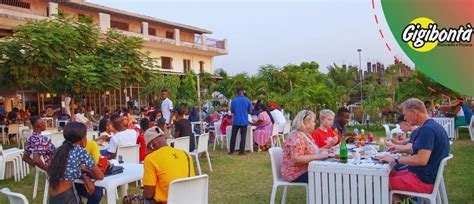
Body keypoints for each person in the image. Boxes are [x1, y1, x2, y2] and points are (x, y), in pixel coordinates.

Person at [376, 98, 450, 202]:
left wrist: (395, 159)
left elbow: (421, 160)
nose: (405, 118)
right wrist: (398, 151)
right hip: (424, 175)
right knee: (389, 173)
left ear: (414, 112)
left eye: (406, 114)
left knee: (377, 182)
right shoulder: (431, 126)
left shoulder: (427, 130)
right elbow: (422, 153)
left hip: (423, 180)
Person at [47, 122, 104, 204]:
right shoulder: (80, 151)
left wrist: (83, 176)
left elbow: (66, 171)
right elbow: (100, 176)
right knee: (97, 192)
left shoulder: (60, 150)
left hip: (54, 198)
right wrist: (88, 172)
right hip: (68, 198)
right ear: (83, 138)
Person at [142, 127, 195, 203]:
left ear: (151, 145)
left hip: (167, 201)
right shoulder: (185, 154)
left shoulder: (150, 159)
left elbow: (148, 194)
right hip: (189, 200)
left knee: (130, 200)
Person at [282, 110, 329, 183]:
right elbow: (297, 158)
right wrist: (319, 156)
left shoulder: (305, 135)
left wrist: (326, 151)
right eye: (313, 121)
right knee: (327, 176)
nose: (314, 124)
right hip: (295, 172)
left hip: (306, 169)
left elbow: (311, 151)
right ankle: (321, 194)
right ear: (306, 123)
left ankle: (322, 194)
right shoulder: (296, 137)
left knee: (329, 174)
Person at [229, 87, 253, 155]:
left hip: (236, 121)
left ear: (237, 92)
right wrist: (245, 111)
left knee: (233, 136)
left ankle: (231, 151)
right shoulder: (248, 100)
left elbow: (232, 111)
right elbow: (250, 111)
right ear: (243, 91)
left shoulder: (234, 100)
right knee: (243, 137)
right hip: (244, 121)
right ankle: (241, 152)